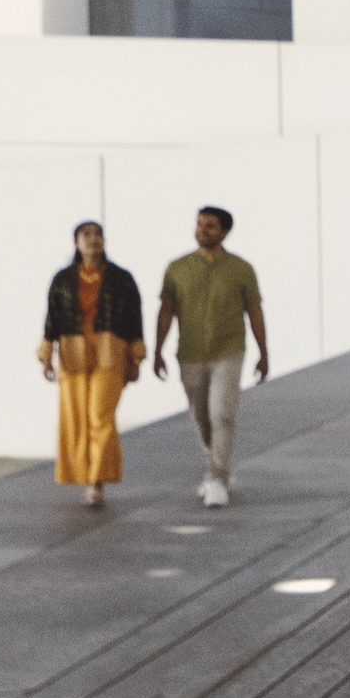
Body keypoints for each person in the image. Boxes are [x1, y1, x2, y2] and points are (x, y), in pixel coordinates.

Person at [154, 203, 274, 507]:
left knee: (221, 413)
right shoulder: (178, 269)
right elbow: (166, 311)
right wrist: (157, 350)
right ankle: (216, 466)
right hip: (190, 352)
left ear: (225, 232)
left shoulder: (241, 269)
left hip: (228, 351)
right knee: (201, 416)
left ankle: (217, 477)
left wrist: (263, 353)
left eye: (210, 226)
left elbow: (255, 312)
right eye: (199, 224)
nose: (202, 230)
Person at [40, 218, 144, 511]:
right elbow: (52, 319)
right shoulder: (63, 279)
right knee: (77, 419)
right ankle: (86, 477)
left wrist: (136, 356)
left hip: (111, 351)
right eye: (86, 234)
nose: (93, 239)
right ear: (76, 243)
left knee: (100, 415)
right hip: (73, 351)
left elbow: (134, 317)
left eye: (98, 234)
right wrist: (46, 354)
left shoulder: (121, 278)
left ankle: (97, 482)